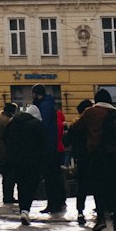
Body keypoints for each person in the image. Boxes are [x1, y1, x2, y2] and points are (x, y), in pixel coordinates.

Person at [79, 89, 116, 231]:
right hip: (114, 155)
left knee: (98, 187)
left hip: (97, 155)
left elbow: (76, 127)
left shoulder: (90, 112)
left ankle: (101, 220)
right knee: (114, 188)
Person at [4, 103, 44, 225]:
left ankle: (23, 209)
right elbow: (42, 142)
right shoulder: (37, 125)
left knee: (21, 185)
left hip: (16, 159)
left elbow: (5, 138)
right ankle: (26, 210)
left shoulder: (13, 122)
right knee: (31, 185)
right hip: (32, 161)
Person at [31, 85, 66, 214]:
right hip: (52, 147)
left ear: (36, 94)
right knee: (55, 176)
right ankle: (58, 203)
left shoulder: (44, 106)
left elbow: (43, 125)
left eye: (32, 93)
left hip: (48, 148)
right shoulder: (49, 104)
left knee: (51, 177)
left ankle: (53, 204)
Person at [65, 100, 93, 224]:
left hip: (82, 158)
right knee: (99, 184)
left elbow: (66, 140)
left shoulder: (76, 125)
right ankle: (103, 210)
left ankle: (80, 212)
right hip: (96, 156)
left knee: (82, 186)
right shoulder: (96, 123)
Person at [0, 101, 18, 207]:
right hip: (8, 151)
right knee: (10, 176)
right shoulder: (8, 121)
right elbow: (11, 137)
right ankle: (8, 197)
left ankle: (7, 196)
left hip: (0, 151)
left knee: (5, 176)